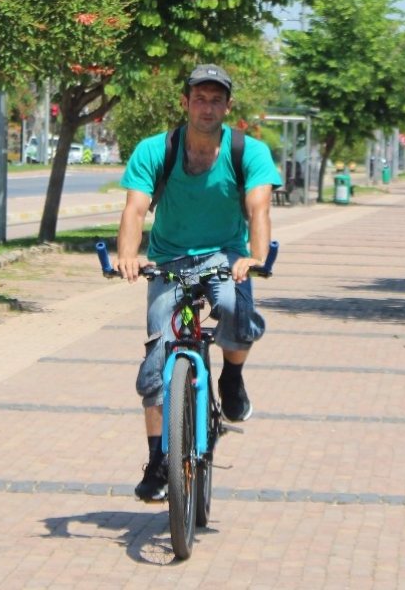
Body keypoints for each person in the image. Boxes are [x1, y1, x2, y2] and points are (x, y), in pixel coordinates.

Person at [114, 64, 282, 502]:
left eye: (216, 100)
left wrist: (255, 257)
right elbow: (135, 209)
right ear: (185, 103)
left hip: (226, 255)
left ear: (228, 106)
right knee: (156, 362)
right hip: (169, 258)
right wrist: (128, 255)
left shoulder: (248, 152)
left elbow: (259, 208)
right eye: (200, 99)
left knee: (234, 308)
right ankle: (158, 460)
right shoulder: (156, 150)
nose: (207, 108)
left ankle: (232, 377)